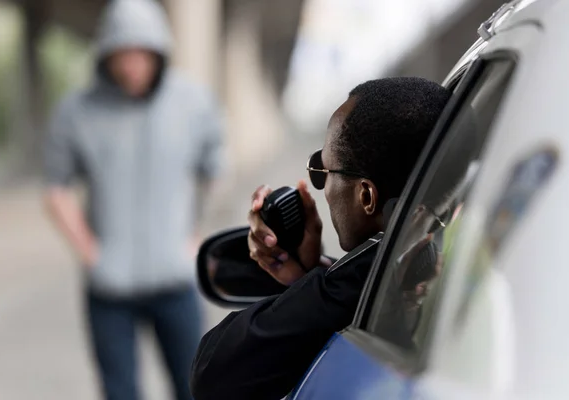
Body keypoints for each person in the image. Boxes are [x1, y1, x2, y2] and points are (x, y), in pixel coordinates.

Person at [191, 77, 451, 400]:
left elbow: (213, 373)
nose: (323, 191)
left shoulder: (378, 271)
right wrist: (313, 269)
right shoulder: (431, 253)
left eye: (323, 172)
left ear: (366, 196)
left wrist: (325, 281)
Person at [43, 1, 224, 399]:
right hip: (109, 288)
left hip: (176, 281)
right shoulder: (76, 111)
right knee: (119, 392)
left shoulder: (194, 103)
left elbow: (212, 170)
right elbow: (55, 188)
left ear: (159, 52)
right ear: (106, 54)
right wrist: (91, 252)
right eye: (121, 54)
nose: (131, 65)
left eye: (141, 53)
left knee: (195, 387)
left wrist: (193, 234)